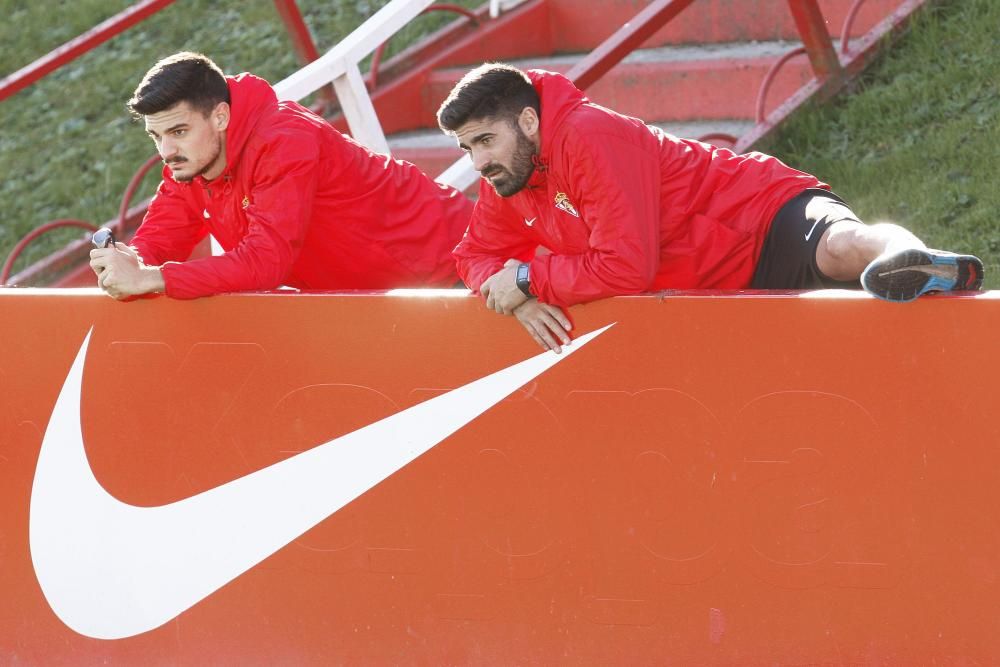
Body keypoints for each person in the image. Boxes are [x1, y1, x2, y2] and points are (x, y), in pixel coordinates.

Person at [436, 63, 985, 353]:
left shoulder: (587, 135)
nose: (478, 161)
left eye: (485, 140)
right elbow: (473, 254)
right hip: (719, 283)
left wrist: (530, 278)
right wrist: (514, 298)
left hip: (757, 216)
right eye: (467, 148)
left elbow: (627, 266)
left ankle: (912, 258)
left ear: (528, 123)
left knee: (843, 248)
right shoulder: (510, 177)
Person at [90, 52, 473, 300]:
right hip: (381, 297)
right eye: (156, 136)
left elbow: (265, 262)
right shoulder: (189, 162)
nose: (166, 151)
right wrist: (130, 260)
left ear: (220, 116)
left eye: (178, 132)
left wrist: (152, 278)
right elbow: (161, 236)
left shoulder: (285, 140)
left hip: (456, 269)